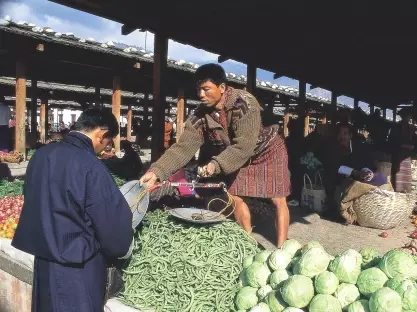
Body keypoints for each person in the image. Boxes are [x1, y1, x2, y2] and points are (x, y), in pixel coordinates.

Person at [140, 64, 291, 247]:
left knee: (277, 198)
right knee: (236, 195)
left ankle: (282, 247)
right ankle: (248, 243)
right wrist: (156, 172)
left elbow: (243, 146)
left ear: (222, 87)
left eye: (206, 89)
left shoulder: (244, 104)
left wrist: (216, 164)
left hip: (268, 149)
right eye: (198, 90)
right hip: (239, 154)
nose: (201, 95)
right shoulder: (200, 116)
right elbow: (183, 147)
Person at [12, 107, 134, 312]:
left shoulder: (41, 156)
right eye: (108, 141)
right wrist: (121, 245)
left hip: (44, 263)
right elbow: (112, 228)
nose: (105, 148)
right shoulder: (90, 166)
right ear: (101, 134)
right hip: (77, 272)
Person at [388, 109, 416, 193]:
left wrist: (411, 145)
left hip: (406, 153)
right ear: (404, 116)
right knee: (397, 170)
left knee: (405, 171)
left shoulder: (410, 127)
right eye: (408, 116)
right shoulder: (396, 126)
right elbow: (391, 140)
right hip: (398, 153)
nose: (409, 118)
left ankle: (405, 189)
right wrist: (401, 145)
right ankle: (396, 188)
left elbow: (413, 139)